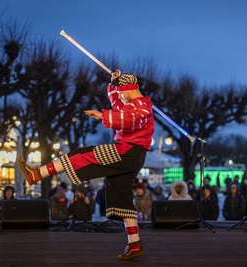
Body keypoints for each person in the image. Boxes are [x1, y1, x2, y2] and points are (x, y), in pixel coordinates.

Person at [18, 72, 153, 260]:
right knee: (121, 194)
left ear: (130, 89)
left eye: (121, 92)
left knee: (82, 155)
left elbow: (128, 120)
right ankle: (135, 243)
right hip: (132, 154)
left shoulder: (142, 107)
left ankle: (38, 174)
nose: (119, 95)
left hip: (126, 151)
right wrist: (112, 83)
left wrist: (102, 115)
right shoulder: (134, 104)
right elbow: (120, 108)